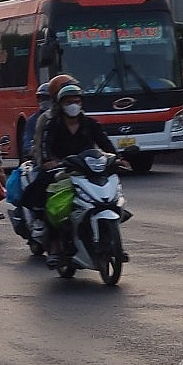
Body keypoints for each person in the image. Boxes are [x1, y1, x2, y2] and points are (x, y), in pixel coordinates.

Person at [25, 76, 126, 266]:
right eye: (69, 102)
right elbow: (45, 146)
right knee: (51, 201)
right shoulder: (51, 123)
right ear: (60, 104)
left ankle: (113, 240)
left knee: (110, 190)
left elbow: (105, 143)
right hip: (63, 168)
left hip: (88, 168)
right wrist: (49, 162)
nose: (73, 105)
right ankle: (53, 245)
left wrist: (117, 158)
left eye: (77, 101)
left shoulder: (90, 124)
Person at [22, 82, 52, 160]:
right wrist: (33, 150)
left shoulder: (61, 118)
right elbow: (27, 143)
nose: (43, 101)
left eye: (47, 98)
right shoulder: (32, 120)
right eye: (40, 98)